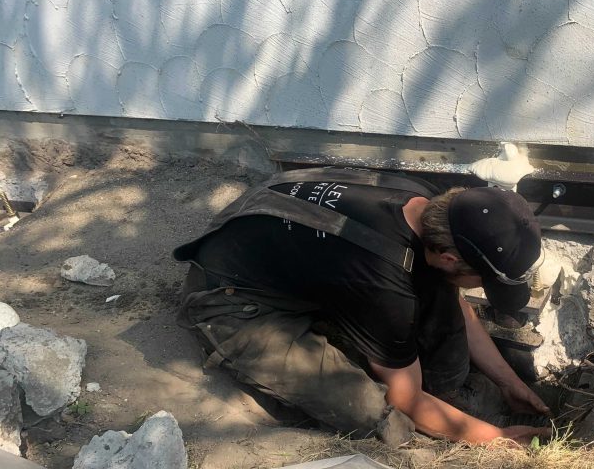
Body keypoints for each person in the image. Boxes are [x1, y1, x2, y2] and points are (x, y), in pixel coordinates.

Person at [173, 166, 551, 446]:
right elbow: (407, 398)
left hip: (284, 231)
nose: (480, 291)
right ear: (452, 257)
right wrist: (495, 439)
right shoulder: (380, 278)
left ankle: (454, 393)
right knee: (373, 413)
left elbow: (456, 304)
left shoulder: (430, 204)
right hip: (232, 297)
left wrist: (509, 383)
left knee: (438, 288)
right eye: (481, 282)